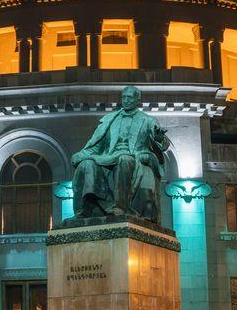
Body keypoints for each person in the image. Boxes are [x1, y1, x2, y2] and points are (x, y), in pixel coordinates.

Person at [70, 85, 169, 222]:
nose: (126, 100)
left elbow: (162, 143)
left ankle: (121, 207)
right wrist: (82, 154)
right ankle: (86, 208)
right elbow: (97, 145)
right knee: (86, 164)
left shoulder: (148, 120)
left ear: (137, 99)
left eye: (130, 97)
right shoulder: (109, 120)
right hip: (108, 157)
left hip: (134, 157)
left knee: (124, 159)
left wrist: (159, 138)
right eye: (124, 97)